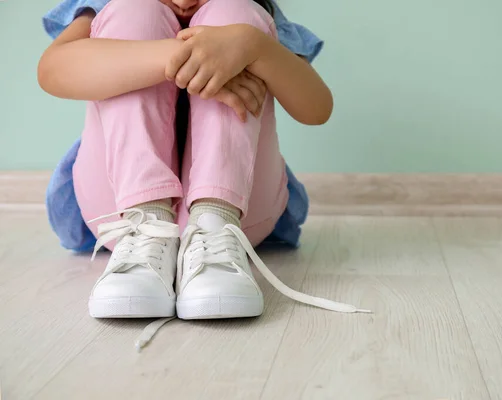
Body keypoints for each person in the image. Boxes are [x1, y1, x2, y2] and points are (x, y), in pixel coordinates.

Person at [39, 0, 369, 348]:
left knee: (238, 14)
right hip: (117, 210)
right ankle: (145, 226)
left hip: (239, 215)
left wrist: (251, 47)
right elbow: (51, 70)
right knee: (131, 10)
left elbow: (317, 108)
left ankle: (216, 227)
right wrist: (178, 56)